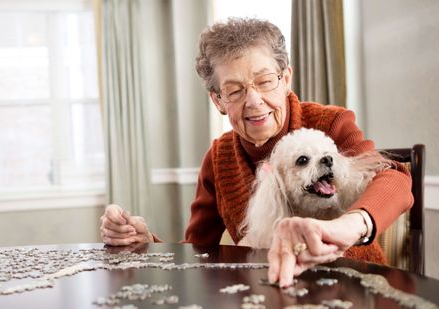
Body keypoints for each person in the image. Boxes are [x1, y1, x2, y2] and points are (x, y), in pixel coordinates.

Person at [99, 18, 413, 287]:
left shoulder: (329, 122)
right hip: (271, 295)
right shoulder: (217, 158)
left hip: (355, 287)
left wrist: (347, 226)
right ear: (218, 101)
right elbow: (197, 252)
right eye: (235, 91)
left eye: (264, 81)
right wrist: (146, 244)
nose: (254, 101)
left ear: (286, 79)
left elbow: (395, 179)